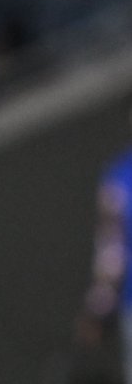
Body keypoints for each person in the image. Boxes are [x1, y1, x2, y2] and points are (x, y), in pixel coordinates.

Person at [78, 106, 132, 382]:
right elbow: (112, 252)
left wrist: (97, 309)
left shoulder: (119, 177)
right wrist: (98, 308)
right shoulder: (119, 178)